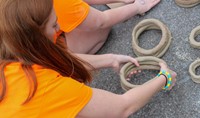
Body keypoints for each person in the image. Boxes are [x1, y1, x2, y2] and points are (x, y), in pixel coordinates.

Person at [0, 0, 176, 118]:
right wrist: (164, 78)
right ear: (34, 37)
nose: (60, 26)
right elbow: (123, 107)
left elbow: (55, 60)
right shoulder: (43, 89)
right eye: (54, 25)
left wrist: (110, 59)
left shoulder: (12, 43)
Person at [54, 0, 161, 54]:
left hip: (43, 40)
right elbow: (101, 21)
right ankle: (71, 64)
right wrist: (139, 6)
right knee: (100, 30)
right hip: (46, 61)